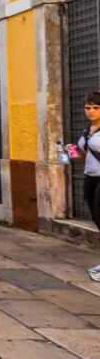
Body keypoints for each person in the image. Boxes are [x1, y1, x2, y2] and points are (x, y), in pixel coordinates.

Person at [79, 92, 100, 281]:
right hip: (90, 179)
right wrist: (71, 154)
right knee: (97, 220)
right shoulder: (88, 131)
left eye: (96, 108)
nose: (91, 111)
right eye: (88, 107)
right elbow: (86, 156)